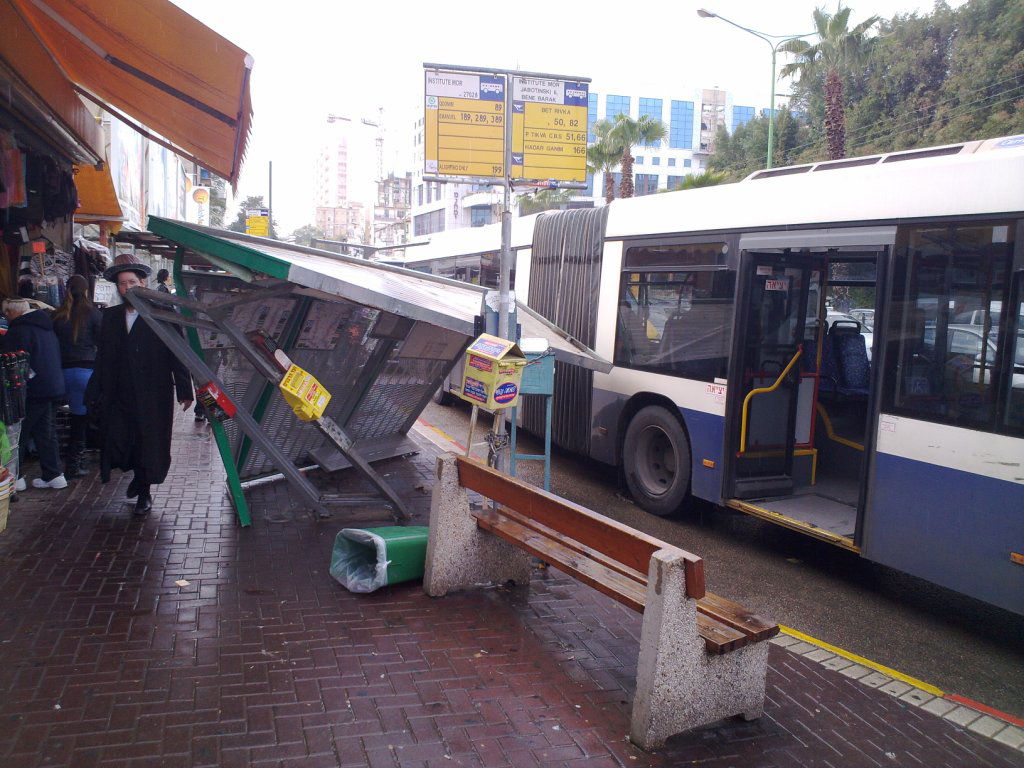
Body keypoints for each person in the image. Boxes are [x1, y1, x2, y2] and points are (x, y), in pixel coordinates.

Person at [90, 263, 193, 515]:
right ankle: (136, 474)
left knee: (149, 441)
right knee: (123, 437)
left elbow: (177, 352)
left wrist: (184, 389)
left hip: (153, 392)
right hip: (120, 392)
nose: (127, 288)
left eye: (132, 283)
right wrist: (95, 390)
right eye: (123, 284)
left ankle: (144, 490)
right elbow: (103, 357)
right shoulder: (112, 317)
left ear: (143, 284)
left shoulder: (160, 313)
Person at [1, 298, 67, 490]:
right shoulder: (45, 327)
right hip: (51, 386)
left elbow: (14, 362)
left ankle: (16, 476)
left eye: (6, 313)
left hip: (31, 390)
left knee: (19, 433)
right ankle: (54, 474)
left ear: (13, 313)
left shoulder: (18, 330)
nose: (6, 317)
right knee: (45, 431)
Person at [50, 275, 102, 477]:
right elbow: (103, 343)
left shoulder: (57, 315)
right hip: (86, 372)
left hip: (62, 373)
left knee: (69, 419)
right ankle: (74, 464)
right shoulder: (93, 314)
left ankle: (71, 462)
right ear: (87, 291)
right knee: (83, 420)